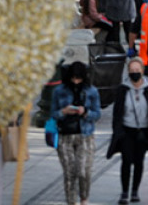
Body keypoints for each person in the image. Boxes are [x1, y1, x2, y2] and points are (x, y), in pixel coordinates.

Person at [108, 58, 148, 204]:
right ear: (128, 72)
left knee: (139, 161)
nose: (135, 73)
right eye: (132, 70)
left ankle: (135, 191)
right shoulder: (122, 90)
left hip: (143, 131)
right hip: (127, 130)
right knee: (126, 160)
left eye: (137, 70)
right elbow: (117, 113)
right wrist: (117, 130)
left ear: (142, 71)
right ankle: (124, 191)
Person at [51, 61, 102, 205]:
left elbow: (97, 114)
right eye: (73, 78)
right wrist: (64, 111)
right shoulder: (59, 91)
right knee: (69, 173)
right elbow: (53, 114)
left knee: (84, 171)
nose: (76, 81)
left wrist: (85, 112)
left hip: (85, 135)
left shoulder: (91, 91)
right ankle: (71, 202)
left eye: (78, 78)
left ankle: (84, 198)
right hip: (65, 135)